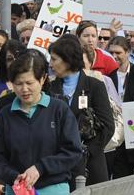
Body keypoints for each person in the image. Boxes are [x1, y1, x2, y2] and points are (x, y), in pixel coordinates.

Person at [0, 51, 82, 195]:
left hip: (54, 188)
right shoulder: (6, 115)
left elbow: (73, 151)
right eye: (18, 84)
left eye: (29, 83)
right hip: (16, 190)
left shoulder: (59, 109)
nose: (24, 89)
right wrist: (14, 176)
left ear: (42, 79)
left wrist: (40, 168)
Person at [48, 35, 114, 186]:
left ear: (67, 60)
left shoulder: (95, 85)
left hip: (90, 166)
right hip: (59, 166)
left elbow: (108, 126)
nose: (50, 64)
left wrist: (85, 152)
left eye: (54, 59)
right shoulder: (49, 88)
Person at [0, 40, 26, 117]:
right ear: (4, 62)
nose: (15, 62)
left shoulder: (33, 80)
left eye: (18, 57)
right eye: (9, 59)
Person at [107, 36, 131, 101]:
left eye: (118, 53)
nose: (114, 56)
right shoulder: (107, 75)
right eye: (111, 53)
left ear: (128, 52)